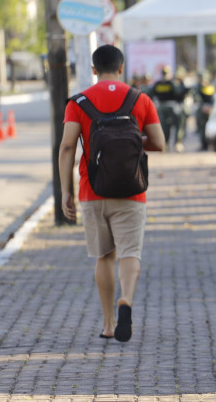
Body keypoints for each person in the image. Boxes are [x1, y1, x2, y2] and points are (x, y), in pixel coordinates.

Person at [58, 44, 165, 342]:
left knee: (103, 256)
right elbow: (159, 143)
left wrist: (65, 191)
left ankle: (108, 323)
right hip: (132, 190)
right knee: (130, 253)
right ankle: (126, 299)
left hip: (92, 191)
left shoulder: (78, 102)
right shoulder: (140, 99)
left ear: (94, 70)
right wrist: (130, 145)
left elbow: (67, 146)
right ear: (121, 68)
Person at [151, 66, 185, 152]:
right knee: (178, 124)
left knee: (164, 126)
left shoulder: (157, 84)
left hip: (161, 106)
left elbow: (151, 94)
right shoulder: (172, 83)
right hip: (173, 106)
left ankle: (165, 144)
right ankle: (177, 143)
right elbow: (179, 94)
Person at [193, 72, 215, 150]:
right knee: (202, 128)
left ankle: (207, 144)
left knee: (206, 127)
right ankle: (205, 144)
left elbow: (213, 98)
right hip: (204, 109)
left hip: (207, 110)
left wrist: (209, 106)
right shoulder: (200, 87)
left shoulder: (209, 87)